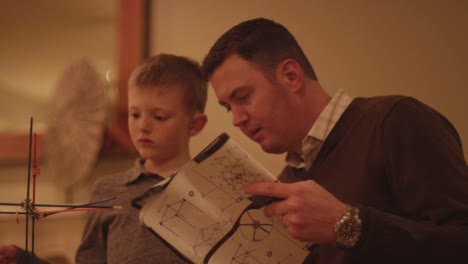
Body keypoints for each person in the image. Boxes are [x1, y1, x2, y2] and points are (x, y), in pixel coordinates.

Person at [201, 17, 468, 263]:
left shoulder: (395, 121)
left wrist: (346, 223)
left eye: (243, 97)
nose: (236, 119)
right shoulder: (287, 183)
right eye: (228, 107)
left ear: (290, 76)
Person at [0, 53, 208, 264]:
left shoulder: (211, 191)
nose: (143, 126)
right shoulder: (108, 191)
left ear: (194, 125)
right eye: (135, 115)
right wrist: (25, 260)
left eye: (159, 117)